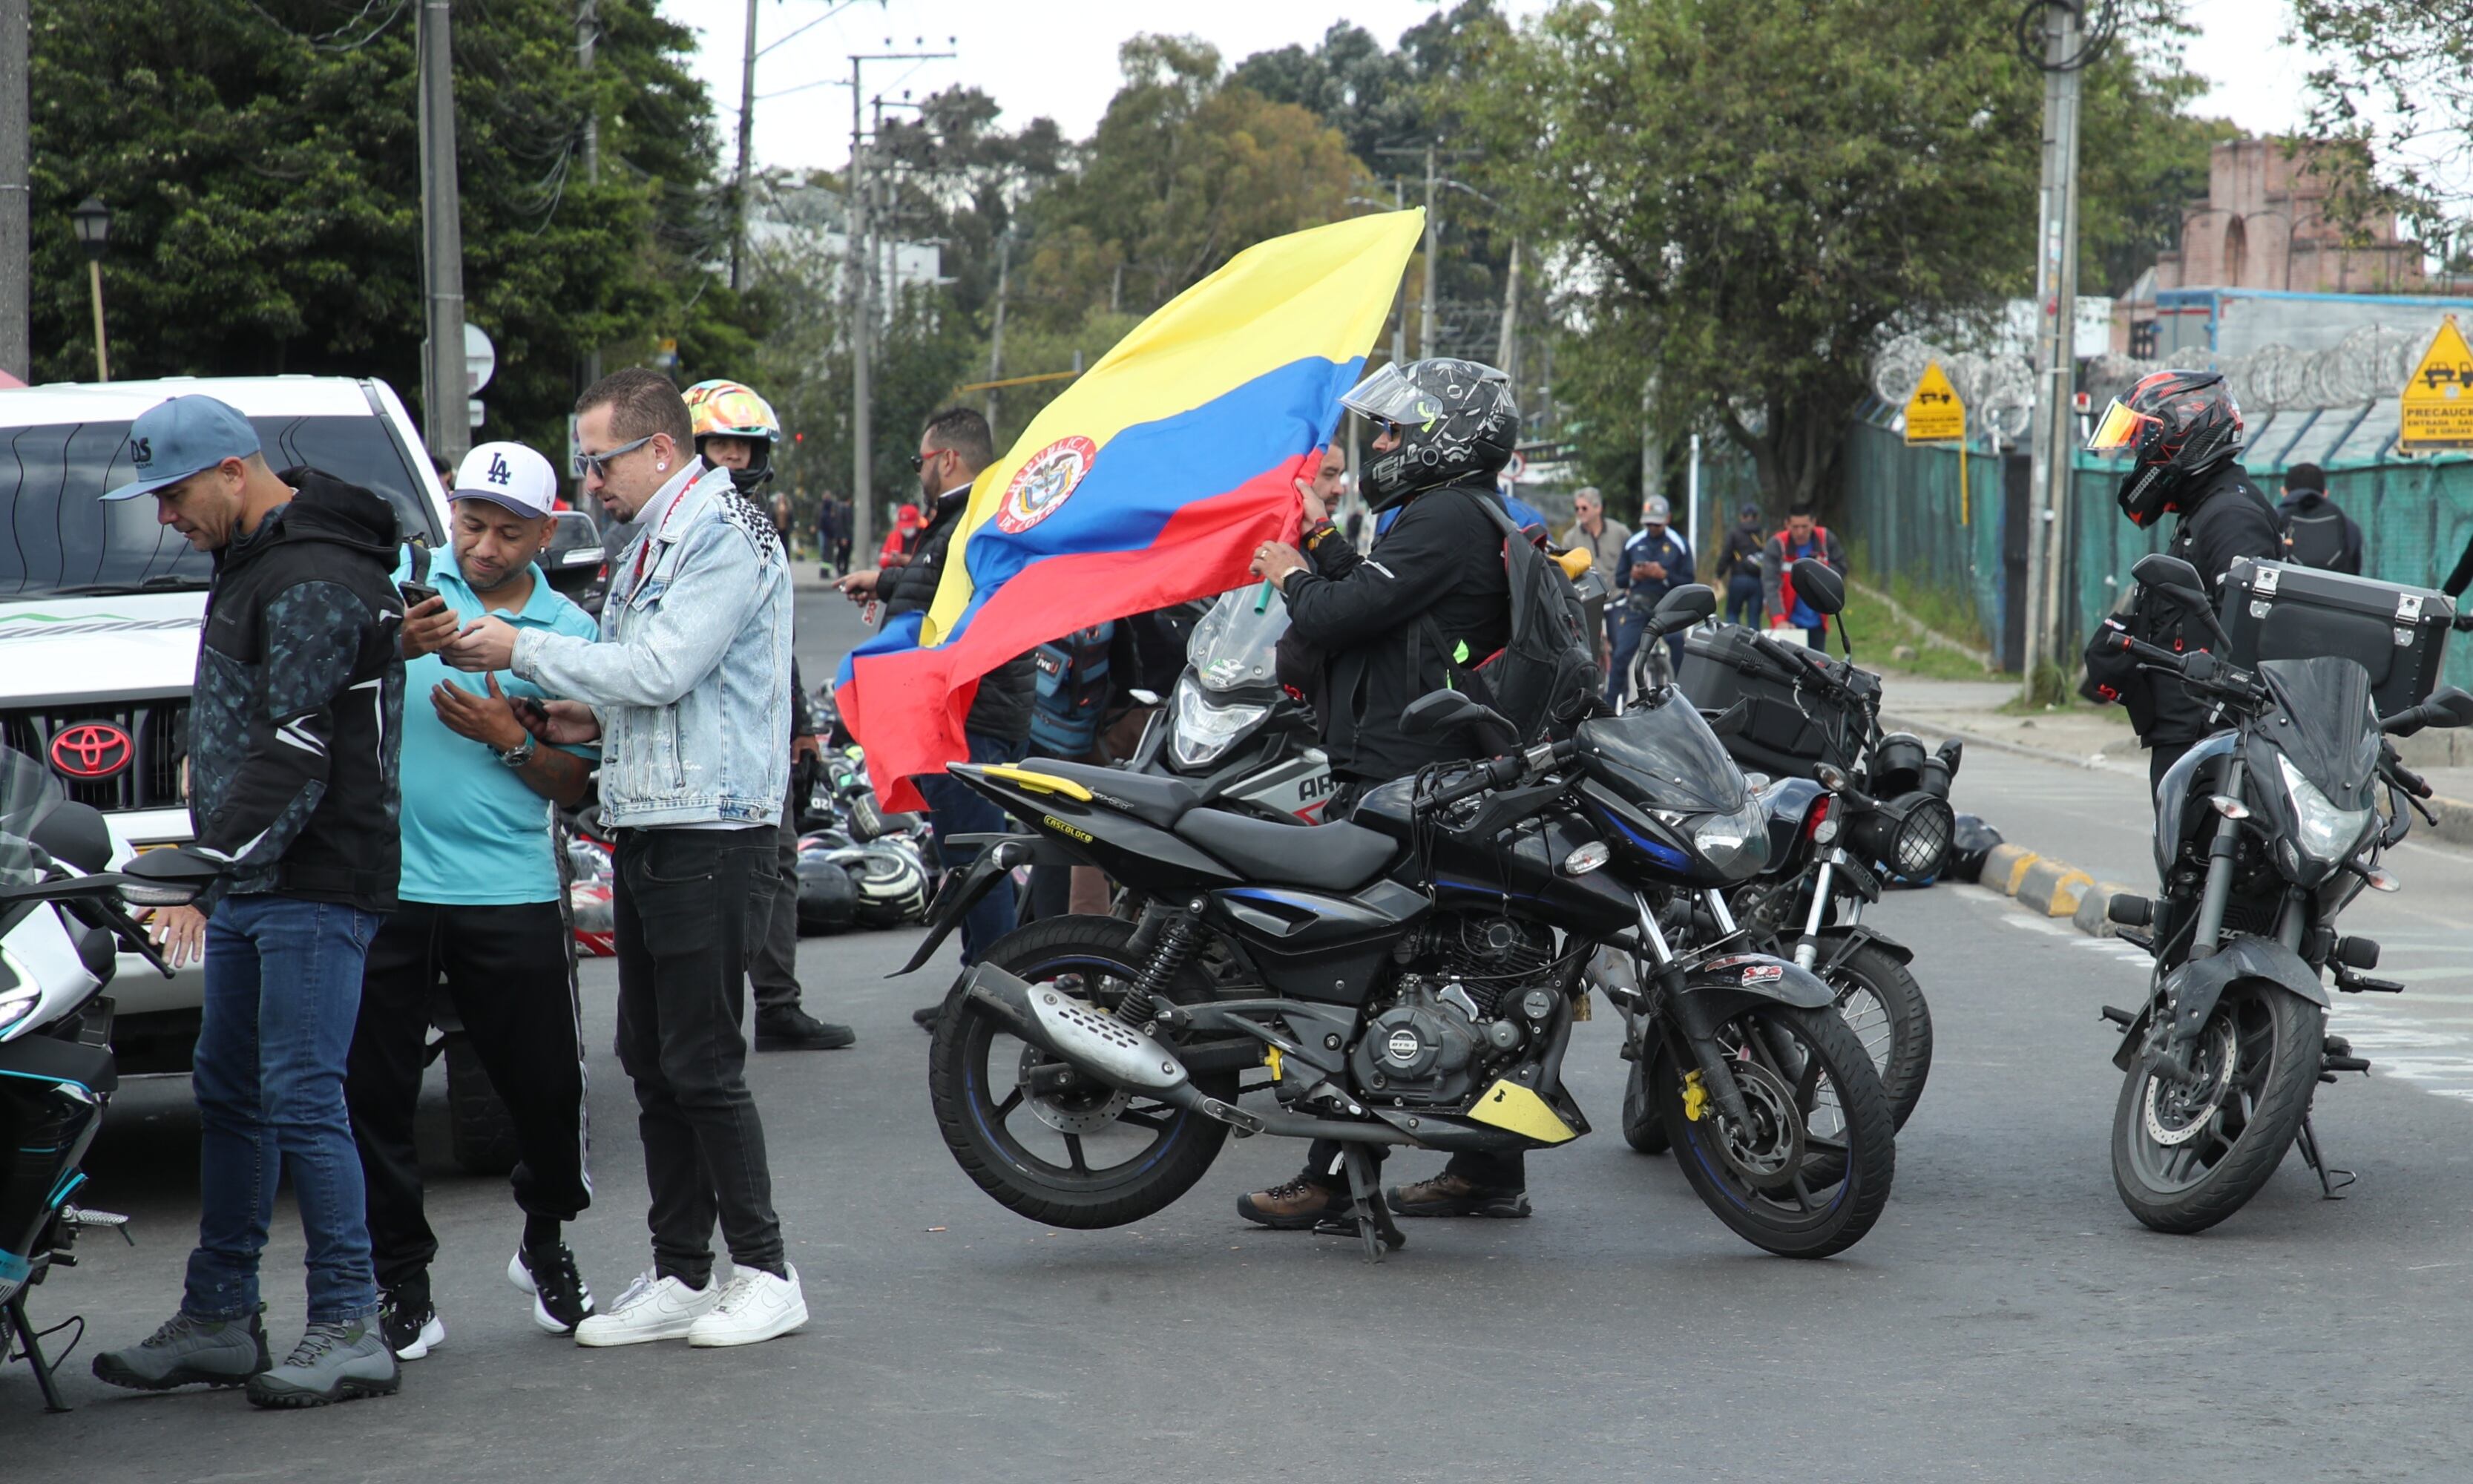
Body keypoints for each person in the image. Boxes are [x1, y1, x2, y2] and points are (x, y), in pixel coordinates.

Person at [443, 368, 808, 1349]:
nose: (589, 483)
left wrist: (519, 652)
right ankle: (685, 1271)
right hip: (654, 813)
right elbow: (650, 690)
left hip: (713, 821)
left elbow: (662, 668)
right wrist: (580, 715)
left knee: (701, 1059)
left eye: (598, 463)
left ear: (657, 449)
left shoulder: (720, 529)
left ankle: (768, 1271)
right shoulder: (657, 533)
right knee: (651, 1059)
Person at [91, 395, 417, 1407]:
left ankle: (349, 1323)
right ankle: (222, 1316)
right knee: (230, 1092)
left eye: (176, 494)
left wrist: (203, 856)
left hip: (315, 880)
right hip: (254, 878)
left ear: (234, 470)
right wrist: (216, 860)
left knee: (301, 1095)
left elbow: (304, 744)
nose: (167, 518)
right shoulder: (255, 559)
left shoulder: (314, 574)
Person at [1241, 357, 1534, 1228]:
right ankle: (1484, 1171)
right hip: (1428, 766)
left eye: (1404, 428)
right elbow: (1384, 599)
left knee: (1354, 976)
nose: (1388, 441)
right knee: (1448, 970)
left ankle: (1333, 1176)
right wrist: (1325, 541)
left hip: (1409, 775)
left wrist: (1291, 572)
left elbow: (1335, 615)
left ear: (1452, 435)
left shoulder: (1444, 515)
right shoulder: (1456, 515)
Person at [347, 441, 601, 1362]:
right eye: (471, 523)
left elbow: (574, 783)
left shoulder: (570, 627)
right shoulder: (404, 585)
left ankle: (546, 1242)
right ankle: (401, 1279)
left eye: (507, 531)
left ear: (546, 529)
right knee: (374, 1089)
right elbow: (322, 689)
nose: (484, 546)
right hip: (389, 884)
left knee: (547, 1088)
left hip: (511, 886)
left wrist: (506, 736)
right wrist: (389, 645)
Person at [834, 409, 1037, 1026]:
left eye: (920, 460)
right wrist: (889, 581)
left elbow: (953, 593)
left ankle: (993, 997)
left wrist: (891, 584)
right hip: (972, 709)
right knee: (969, 859)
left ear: (946, 459)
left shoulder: (976, 515)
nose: (918, 472)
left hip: (972, 713)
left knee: (979, 863)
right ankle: (981, 988)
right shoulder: (974, 512)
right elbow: (937, 583)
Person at [683, 378, 853, 1051]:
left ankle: (778, 1005)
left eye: (744, 447)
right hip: (693, 737)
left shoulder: (762, 532)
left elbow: (776, 641)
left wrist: (802, 726)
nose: (733, 459)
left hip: (761, 730)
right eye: (721, 445)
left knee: (778, 863)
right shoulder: (663, 529)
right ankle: (704, 1023)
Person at [2080, 370, 2285, 796]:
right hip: (2189, 739)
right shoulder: (2205, 510)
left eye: (2142, 446)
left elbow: (2252, 636)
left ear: (2182, 438)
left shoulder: (2230, 516)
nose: (2137, 460)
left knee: (2209, 860)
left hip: (2211, 744)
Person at [1610, 494, 1694, 701]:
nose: (1653, 527)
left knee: (1677, 643)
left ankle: (1684, 698)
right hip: (1638, 603)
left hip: (1668, 603)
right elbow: (1620, 580)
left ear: (1667, 519)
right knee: (1621, 653)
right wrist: (1633, 575)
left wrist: (1664, 575)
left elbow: (1689, 579)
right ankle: (1608, 704)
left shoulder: (1679, 544)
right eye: (1649, 523)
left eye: (1657, 523)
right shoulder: (1634, 543)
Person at [1762, 505, 1848, 651]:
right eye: (1795, 527)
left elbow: (1841, 570)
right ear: (1787, 524)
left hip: (1817, 621)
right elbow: (1770, 584)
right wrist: (1779, 620)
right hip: (1789, 623)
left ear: (1814, 523)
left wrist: (1824, 568)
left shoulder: (1825, 539)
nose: (1800, 532)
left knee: (1818, 667)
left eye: (1804, 527)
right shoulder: (1777, 545)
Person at [2276, 462, 2362, 574]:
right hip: (2334, 590)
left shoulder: (2271, 520)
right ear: (2325, 493)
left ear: (2283, 492)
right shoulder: (2349, 526)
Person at [1713, 502, 1767, 626]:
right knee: (1754, 617)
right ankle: (1755, 643)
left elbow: (1726, 555)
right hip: (1757, 581)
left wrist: (1718, 575)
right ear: (1756, 517)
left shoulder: (1734, 533)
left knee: (1733, 612)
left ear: (1742, 517)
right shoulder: (1762, 534)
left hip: (1738, 579)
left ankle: (1734, 641)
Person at [880, 502, 924, 567]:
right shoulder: (893, 536)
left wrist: (913, 561)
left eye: (909, 526)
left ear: (917, 522)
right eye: (904, 526)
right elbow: (882, 560)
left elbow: (930, 561)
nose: (906, 529)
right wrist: (891, 560)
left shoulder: (925, 537)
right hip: (897, 575)